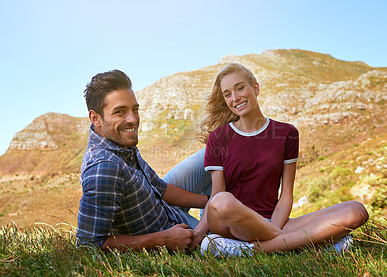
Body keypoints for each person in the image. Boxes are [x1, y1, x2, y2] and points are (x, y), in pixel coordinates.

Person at [195, 63, 369, 257]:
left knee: (356, 210)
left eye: (240, 88)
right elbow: (217, 195)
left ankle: (250, 249)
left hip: (272, 221)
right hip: (230, 223)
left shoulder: (286, 133)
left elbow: (286, 195)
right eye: (227, 94)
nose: (235, 98)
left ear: (256, 87)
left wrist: (273, 229)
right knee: (223, 200)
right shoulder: (219, 137)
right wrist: (197, 235)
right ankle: (303, 243)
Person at [76, 69, 212, 252]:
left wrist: (210, 201)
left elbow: (161, 188)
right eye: (120, 112)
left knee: (212, 153)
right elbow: (88, 245)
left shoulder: (121, 143)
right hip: (171, 230)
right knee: (233, 241)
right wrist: (163, 240)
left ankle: (219, 206)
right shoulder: (104, 168)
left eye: (134, 109)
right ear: (95, 118)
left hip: (164, 207)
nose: (132, 119)